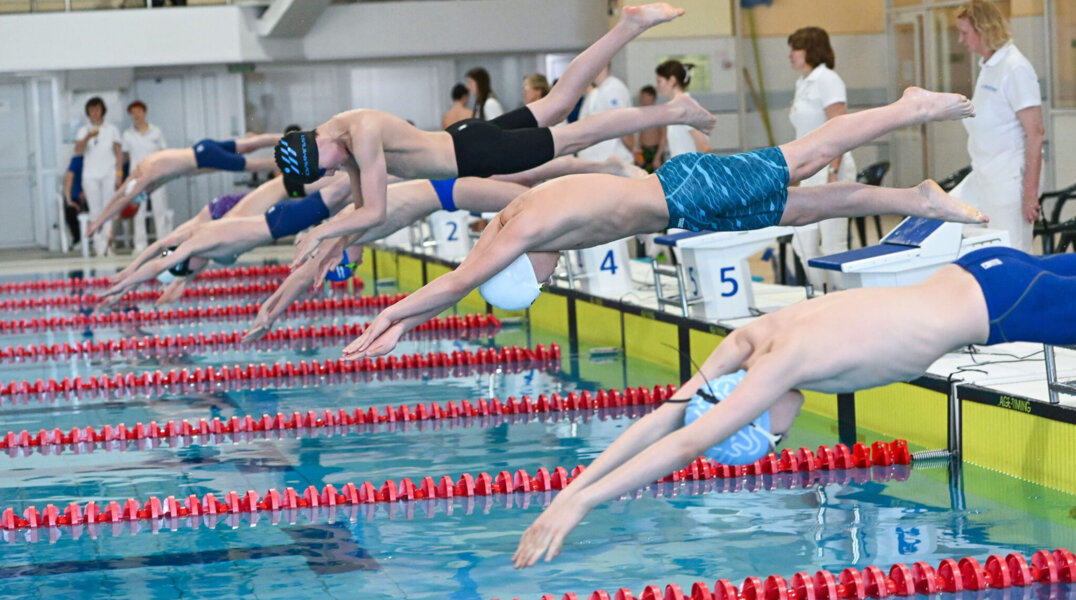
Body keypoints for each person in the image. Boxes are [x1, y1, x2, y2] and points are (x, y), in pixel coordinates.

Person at [511, 244, 1072, 567]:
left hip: (1003, 306)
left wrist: (583, 506)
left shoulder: (779, 368)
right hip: (981, 270)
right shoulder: (755, 337)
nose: (785, 436)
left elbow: (688, 441)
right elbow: (670, 412)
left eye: (772, 440)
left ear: (755, 416)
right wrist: (568, 491)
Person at [342, 87, 985, 360]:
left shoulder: (522, 233)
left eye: (538, 280)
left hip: (684, 188)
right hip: (686, 203)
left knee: (807, 159)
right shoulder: (514, 217)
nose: (552, 273)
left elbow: (456, 283)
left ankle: (907, 108)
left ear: (517, 263)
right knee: (810, 204)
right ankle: (917, 199)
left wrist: (391, 319)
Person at [274, 4, 713, 248]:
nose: (326, 175)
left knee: (579, 133)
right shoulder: (342, 139)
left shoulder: (361, 134)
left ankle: (674, 111)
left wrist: (318, 231)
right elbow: (359, 210)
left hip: (475, 153)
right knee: (559, 102)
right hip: (467, 140)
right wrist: (335, 243)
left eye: (319, 170)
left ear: (317, 148)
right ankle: (629, 26)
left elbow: (376, 209)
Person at [95, 175, 354, 310]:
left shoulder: (193, 243)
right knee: (345, 194)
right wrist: (127, 284)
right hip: (272, 214)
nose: (192, 269)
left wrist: (125, 278)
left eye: (186, 268)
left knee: (346, 188)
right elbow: (163, 257)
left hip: (278, 199)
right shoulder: (197, 257)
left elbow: (157, 261)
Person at [953, 0, 1044, 253]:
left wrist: (1030, 194)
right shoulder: (989, 66)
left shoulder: (1015, 68)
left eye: (964, 32)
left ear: (983, 29)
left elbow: (1036, 133)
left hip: (1010, 180)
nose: (961, 40)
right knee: (947, 220)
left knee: (1011, 252)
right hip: (985, 174)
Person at [86, 133, 282, 238]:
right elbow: (120, 194)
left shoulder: (149, 176)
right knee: (246, 145)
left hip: (203, 157)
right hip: (202, 148)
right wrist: (99, 220)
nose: (146, 193)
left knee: (252, 165)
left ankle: (287, 161)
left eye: (142, 196)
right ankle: (285, 137)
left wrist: (100, 222)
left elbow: (124, 198)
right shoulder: (142, 169)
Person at [787, 26, 856, 291]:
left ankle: (844, 301)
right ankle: (822, 294)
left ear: (811, 50)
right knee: (802, 240)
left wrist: (834, 171)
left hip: (831, 168)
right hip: (808, 171)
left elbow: (841, 127)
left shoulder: (827, 79)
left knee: (832, 243)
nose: (790, 54)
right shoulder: (803, 83)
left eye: (795, 48)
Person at [74, 97, 124, 256]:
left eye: (97, 109)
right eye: (91, 110)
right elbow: (78, 151)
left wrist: (119, 174)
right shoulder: (83, 130)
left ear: (102, 110)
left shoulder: (112, 129)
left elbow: (118, 153)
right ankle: (99, 246)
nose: (95, 112)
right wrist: (88, 137)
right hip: (90, 176)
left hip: (109, 173)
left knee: (108, 210)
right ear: (88, 112)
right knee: (95, 211)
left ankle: (109, 246)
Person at [121, 100, 170, 251]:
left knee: (159, 210)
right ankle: (140, 246)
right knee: (139, 212)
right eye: (133, 112)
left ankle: (164, 245)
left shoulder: (156, 131)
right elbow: (125, 156)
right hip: (138, 178)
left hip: (156, 176)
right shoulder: (127, 134)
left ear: (144, 112)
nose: (136, 115)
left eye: (139, 111)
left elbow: (164, 152)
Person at [576, 64, 635, 164]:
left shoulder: (613, 88)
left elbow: (623, 123)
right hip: (595, 161)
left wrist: (632, 148)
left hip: (613, 161)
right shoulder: (596, 92)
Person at [655, 60, 711, 161]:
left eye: (659, 81)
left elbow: (704, 147)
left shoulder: (685, 107)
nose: (657, 86)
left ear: (672, 80)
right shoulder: (676, 106)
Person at [634, 85, 665, 173]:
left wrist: (658, 156)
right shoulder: (641, 114)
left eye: (644, 96)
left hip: (655, 151)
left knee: (657, 178)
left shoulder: (660, 115)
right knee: (643, 176)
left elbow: (663, 138)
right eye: (641, 96)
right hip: (643, 151)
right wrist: (638, 151)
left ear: (652, 97)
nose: (642, 99)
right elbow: (641, 135)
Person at [62, 152, 87, 248]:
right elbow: (68, 179)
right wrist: (69, 201)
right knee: (70, 210)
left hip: (92, 196)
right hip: (77, 198)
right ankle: (78, 239)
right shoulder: (77, 160)